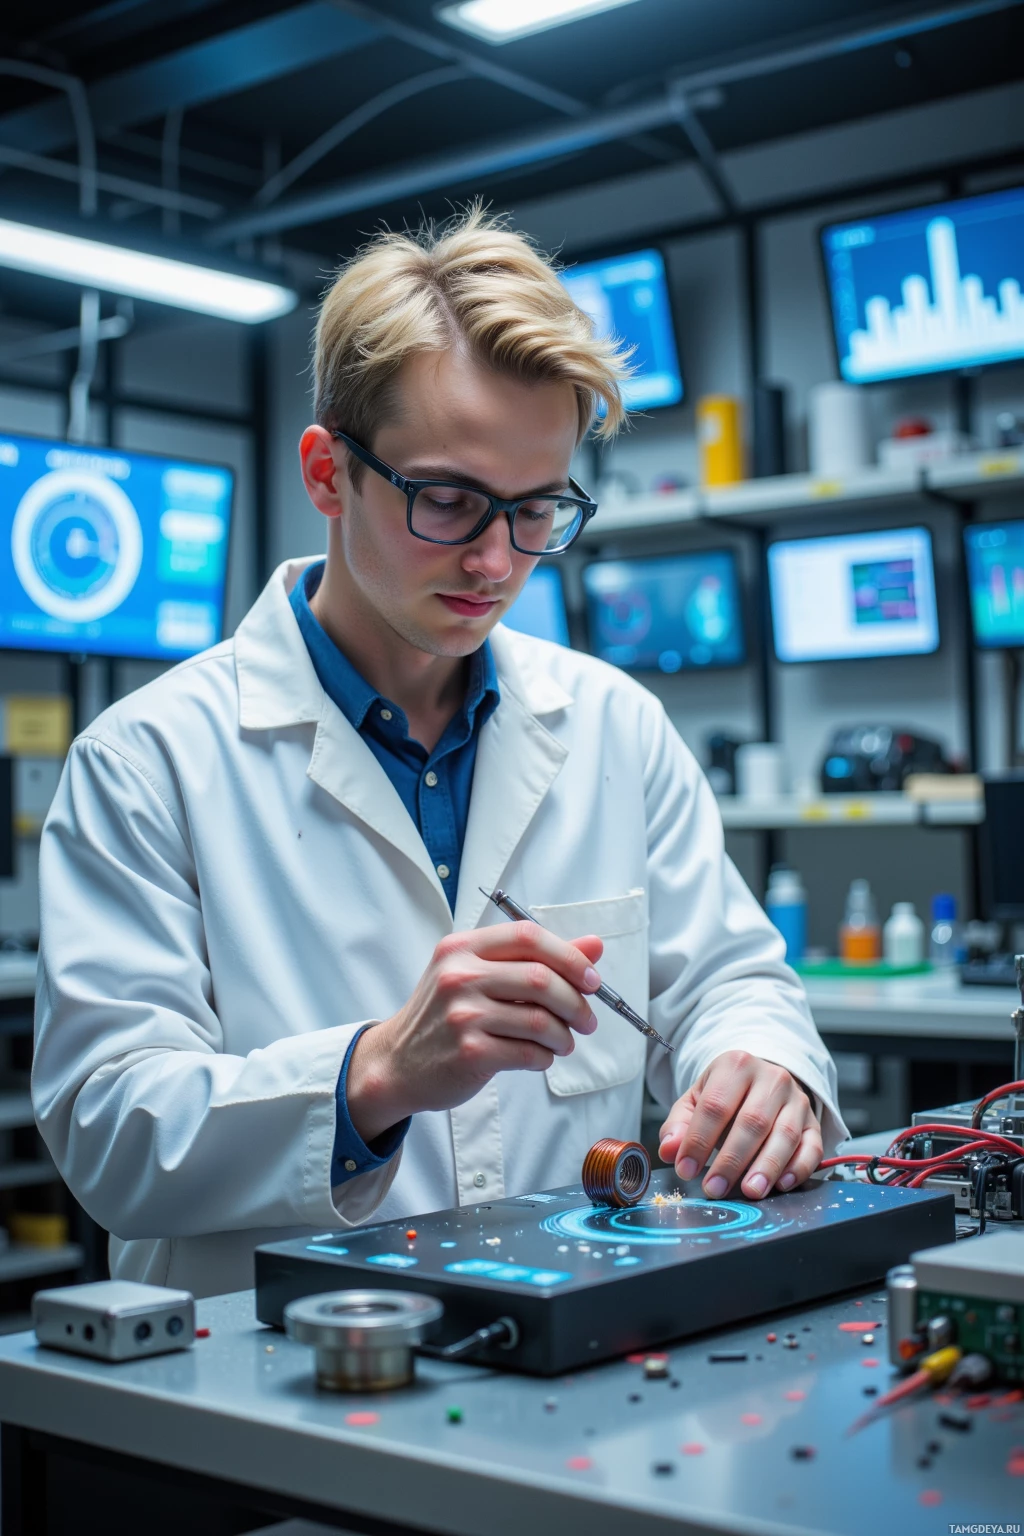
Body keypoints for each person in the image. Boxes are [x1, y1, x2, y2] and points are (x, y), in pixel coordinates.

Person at [33, 207, 845, 1297]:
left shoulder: (613, 725)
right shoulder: (146, 761)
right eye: (450, 500)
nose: (498, 559)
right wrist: (376, 1074)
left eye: (537, 508)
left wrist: (762, 1067)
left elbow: (726, 981)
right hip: (271, 1372)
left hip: (578, 1342)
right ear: (329, 474)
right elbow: (109, 1131)